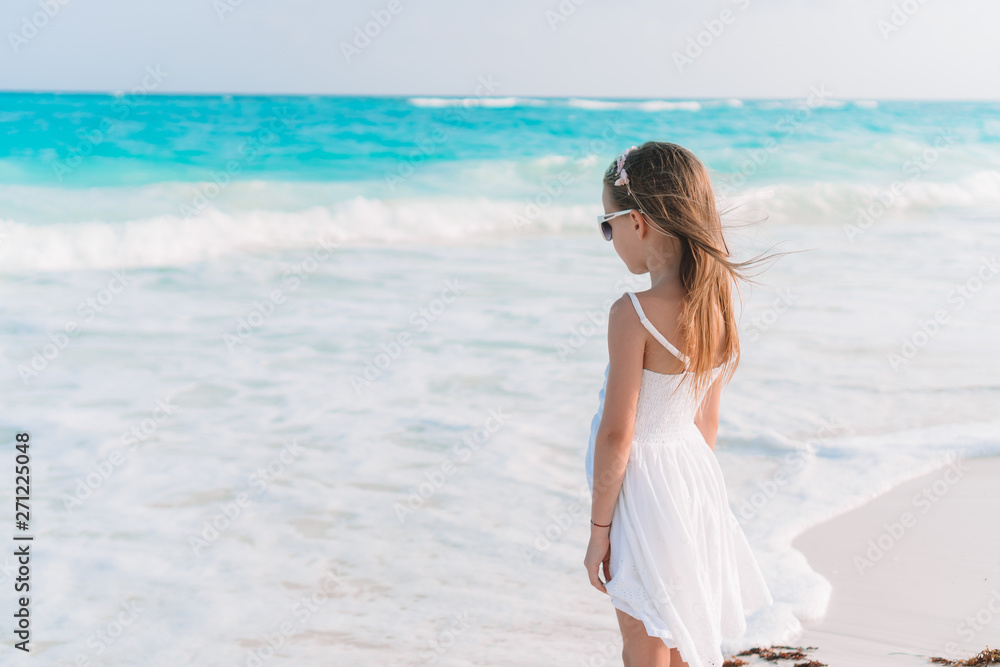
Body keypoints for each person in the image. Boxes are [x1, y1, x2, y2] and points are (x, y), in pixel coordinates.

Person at [584, 142, 782, 667]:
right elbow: (706, 421)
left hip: (642, 488)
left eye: (608, 225)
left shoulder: (633, 313)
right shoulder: (715, 305)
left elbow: (617, 436)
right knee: (678, 627)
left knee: (644, 634)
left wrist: (599, 531)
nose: (609, 238)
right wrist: (692, 497)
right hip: (693, 479)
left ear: (639, 223)